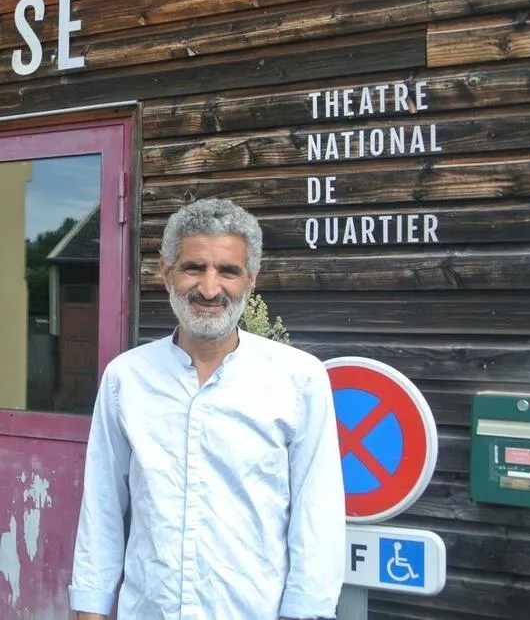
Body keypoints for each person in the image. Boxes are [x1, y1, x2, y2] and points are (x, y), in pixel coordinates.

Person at [68, 198, 346, 619]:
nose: (210, 289)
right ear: (166, 273)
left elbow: (317, 514)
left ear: (251, 279)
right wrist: (90, 607)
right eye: (194, 268)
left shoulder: (298, 379)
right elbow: (102, 505)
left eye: (228, 271)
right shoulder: (126, 379)